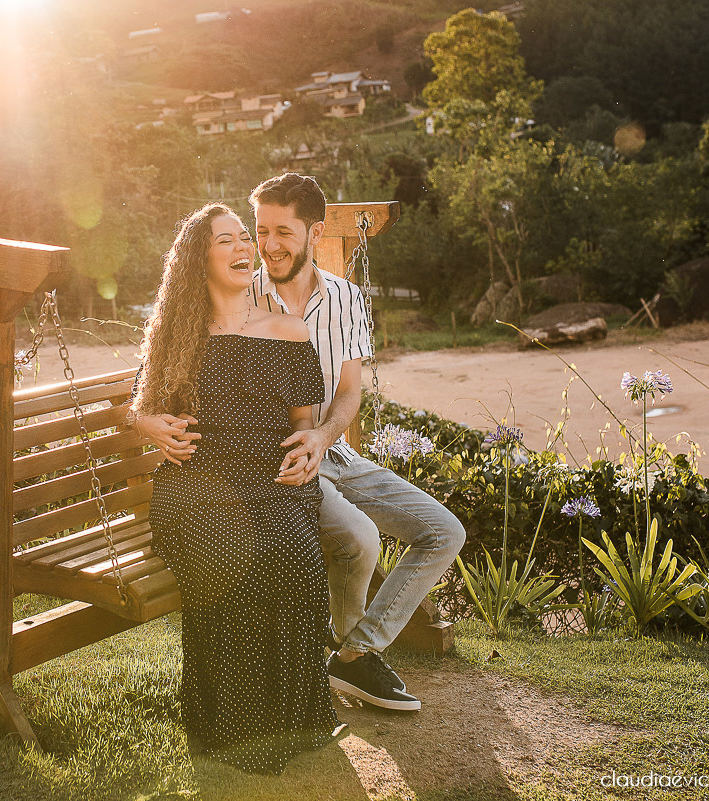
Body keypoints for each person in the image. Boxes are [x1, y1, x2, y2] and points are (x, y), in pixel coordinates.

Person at [139, 174, 466, 712]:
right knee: (359, 540)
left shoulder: (347, 299)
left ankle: (355, 656)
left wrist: (321, 435)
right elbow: (157, 368)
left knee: (442, 531)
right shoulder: (237, 289)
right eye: (260, 231)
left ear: (314, 232)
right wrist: (147, 421)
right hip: (272, 464)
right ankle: (339, 663)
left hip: (330, 449)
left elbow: (347, 394)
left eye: (281, 233)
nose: (267, 246)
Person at [131, 202, 341, 775]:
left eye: (244, 239)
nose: (244, 248)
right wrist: (148, 424)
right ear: (199, 259)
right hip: (196, 487)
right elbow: (136, 408)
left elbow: (305, 417)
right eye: (226, 241)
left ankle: (293, 719)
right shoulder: (179, 335)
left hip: (274, 482)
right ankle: (231, 723)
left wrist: (310, 445)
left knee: (293, 554)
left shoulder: (286, 328)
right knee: (239, 556)